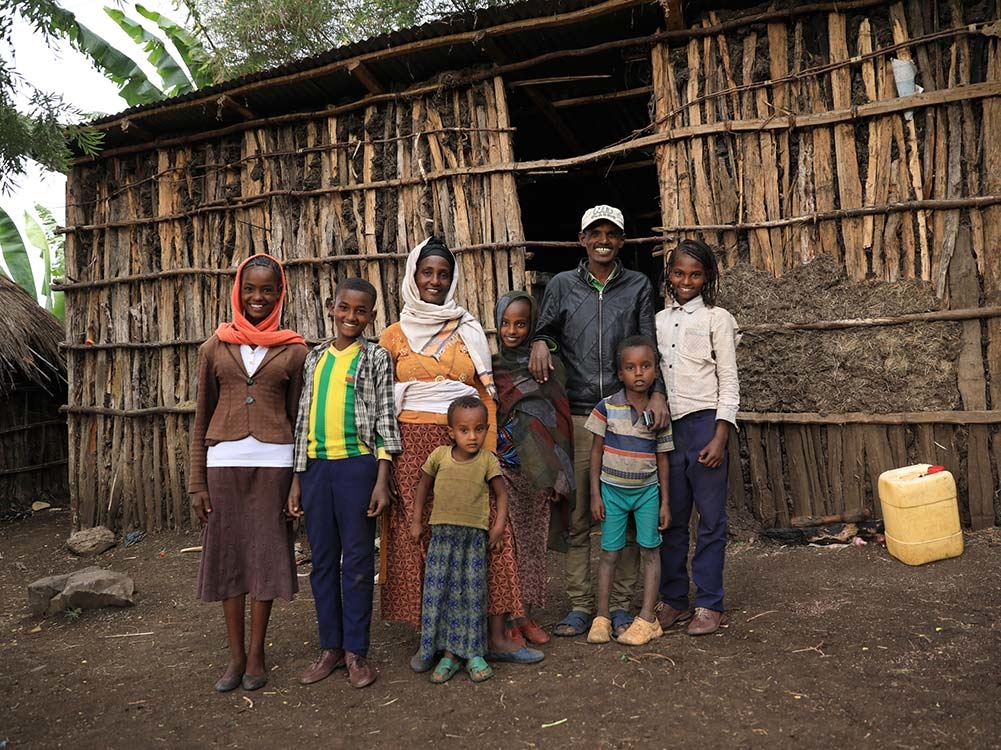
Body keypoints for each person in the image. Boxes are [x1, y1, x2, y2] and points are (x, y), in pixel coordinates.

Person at [380, 237, 543, 667]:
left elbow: (481, 395)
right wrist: (386, 463)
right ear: (413, 277)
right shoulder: (393, 336)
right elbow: (380, 402)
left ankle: (496, 635)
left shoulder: (467, 329)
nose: (435, 281)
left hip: (466, 445)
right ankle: (431, 639)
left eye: (443, 274)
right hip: (410, 449)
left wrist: (486, 456)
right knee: (423, 538)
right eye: (427, 272)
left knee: (490, 531)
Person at [529, 204, 669, 639]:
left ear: (622, 241)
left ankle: (622, 607)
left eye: (611, 232)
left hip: (629, 412)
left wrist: (658, 392)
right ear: (582, 239)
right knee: (578, 516)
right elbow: (546, 327)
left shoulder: (639, 285)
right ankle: (581, 606)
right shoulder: (562, 285)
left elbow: (649, 341)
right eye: (595, 232)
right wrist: (539, 341)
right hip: (578, 412)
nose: (603, 239)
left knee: (625, 517)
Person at [188, 253, 307, 692]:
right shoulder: (214, 347)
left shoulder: (295, 351)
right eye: (250, 289)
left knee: (266, 556)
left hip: (275, 464)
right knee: (230, 558)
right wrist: (196, 482)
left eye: (267, 290)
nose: (258, 297)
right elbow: (202, 415)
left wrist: (298, 478)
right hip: (224, 463)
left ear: (280, 295)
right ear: (238, 292)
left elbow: (301, 418)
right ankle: (234, 658)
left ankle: (258, 654)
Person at [287, 277, 401, 689]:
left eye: (360, 311)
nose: (351, 316)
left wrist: (382, 477)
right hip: (316, 469)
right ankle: (329, 648)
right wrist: (297, 478)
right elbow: (302, 420)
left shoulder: (376, 357)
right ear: (332, 309)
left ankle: (356, 651)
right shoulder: (314, 358)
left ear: (371, 317)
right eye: (344, 308)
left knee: (355, 563)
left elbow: (386, 417)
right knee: (321, 562)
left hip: (358, 468)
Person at [655, 239, 740, 636]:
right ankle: (673, 599)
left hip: (705, 426)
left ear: (707, 278)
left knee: (710, 520)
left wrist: (721, 435)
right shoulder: (658, 320)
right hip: (669, 430)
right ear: (669, 276)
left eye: (695, 274)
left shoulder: (717, 319)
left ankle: (709, 602)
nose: (685, 281)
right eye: (678, 273)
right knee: (671, 520)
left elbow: (729, 380)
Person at [492, 291, 575, 646]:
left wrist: (558, 473)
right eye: (506, 323)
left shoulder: (545, 367)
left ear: (531, 325)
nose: (512, 330)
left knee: (533, 546)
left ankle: (527, 615)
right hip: (501, 471)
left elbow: (558, 419)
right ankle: (507, 617)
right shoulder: (491, 367)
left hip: (537, 474)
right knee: (505, 547)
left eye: (521, 323)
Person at [409, 395, 508, 683]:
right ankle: (447, 655)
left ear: (486, 430)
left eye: (479, 429)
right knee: (442, 594)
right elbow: (422, 489)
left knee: (472, 595)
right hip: (441, 538)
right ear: (451, 432)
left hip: (473, 541)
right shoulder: (439, 456)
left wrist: (498, 527)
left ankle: (474, 653)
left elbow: (501, 495)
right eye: (464, 430)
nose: (472, 436)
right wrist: (416, 522)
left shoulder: (488, 460)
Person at [584, 336, 673, 646]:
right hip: (612, 492)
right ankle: (602, 617)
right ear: (620, 373)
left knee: (650, 551)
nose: (639, 373)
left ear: (656, 371)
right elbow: (596, 453)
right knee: (609, 553)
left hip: (647, 492)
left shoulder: (659, 413)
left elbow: (663, 458)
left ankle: (647, 619)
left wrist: (665, 502)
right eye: (631, 367)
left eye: (646, 366)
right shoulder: (606, 407)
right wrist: (595, 494)